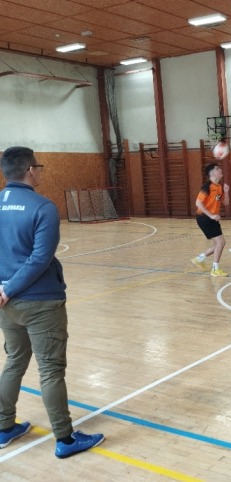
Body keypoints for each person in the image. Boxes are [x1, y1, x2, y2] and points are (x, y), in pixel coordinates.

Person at [0, 147, 105, 457]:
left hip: (5, 302)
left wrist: (4, 290)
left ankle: (4, 427)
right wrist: (11, 288)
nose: (39, 171)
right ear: (30, 170)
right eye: (38, 166)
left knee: (15, 361)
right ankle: (66, 439)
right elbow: (39, 258)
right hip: (39, 302)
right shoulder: (43, 207)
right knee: (51, 369)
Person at [191, 163, 230, 276]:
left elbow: (226, 202)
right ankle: (215, 269)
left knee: (218, 244)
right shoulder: (207, 186)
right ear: (212, 173)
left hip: (212, 219)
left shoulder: (219, 187)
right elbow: (198, 203)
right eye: (217, 169)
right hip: (204, 218)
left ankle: (199, 258)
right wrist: (211, 215)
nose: (220, 170)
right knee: (220, 242)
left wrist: (226, 191)